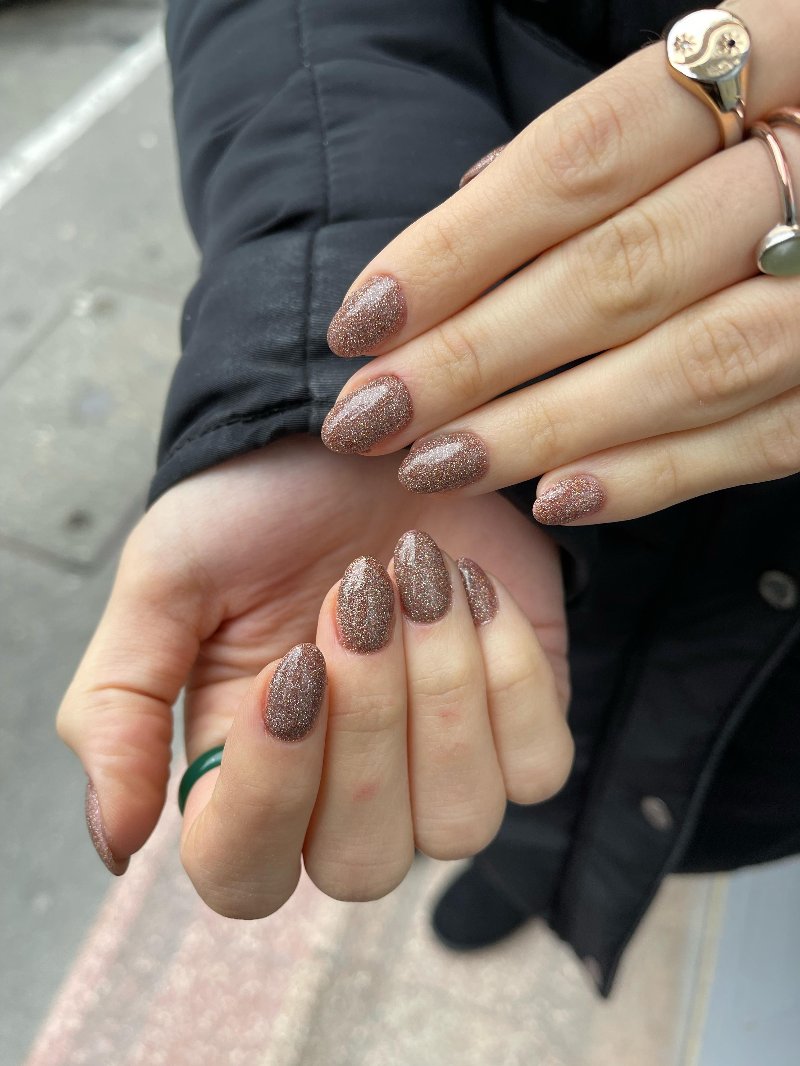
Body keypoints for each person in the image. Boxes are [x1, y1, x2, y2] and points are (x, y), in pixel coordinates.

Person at [57, 0, 800, 997]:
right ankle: (531, 874)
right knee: (498, 771)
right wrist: (321, 358)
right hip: (541, 532)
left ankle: (565, 867)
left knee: (682, 800)